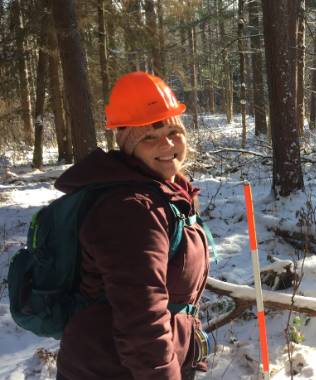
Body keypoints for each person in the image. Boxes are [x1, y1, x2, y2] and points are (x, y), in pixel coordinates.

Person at [55, 72, 210, 380]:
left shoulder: (166, 191)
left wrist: (192, 356)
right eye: (149, 136)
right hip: (111, 370)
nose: (166, 143)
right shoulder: (131, 209)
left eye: (172, 130)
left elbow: (179, 298)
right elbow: (142, 320)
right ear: (128, 145)